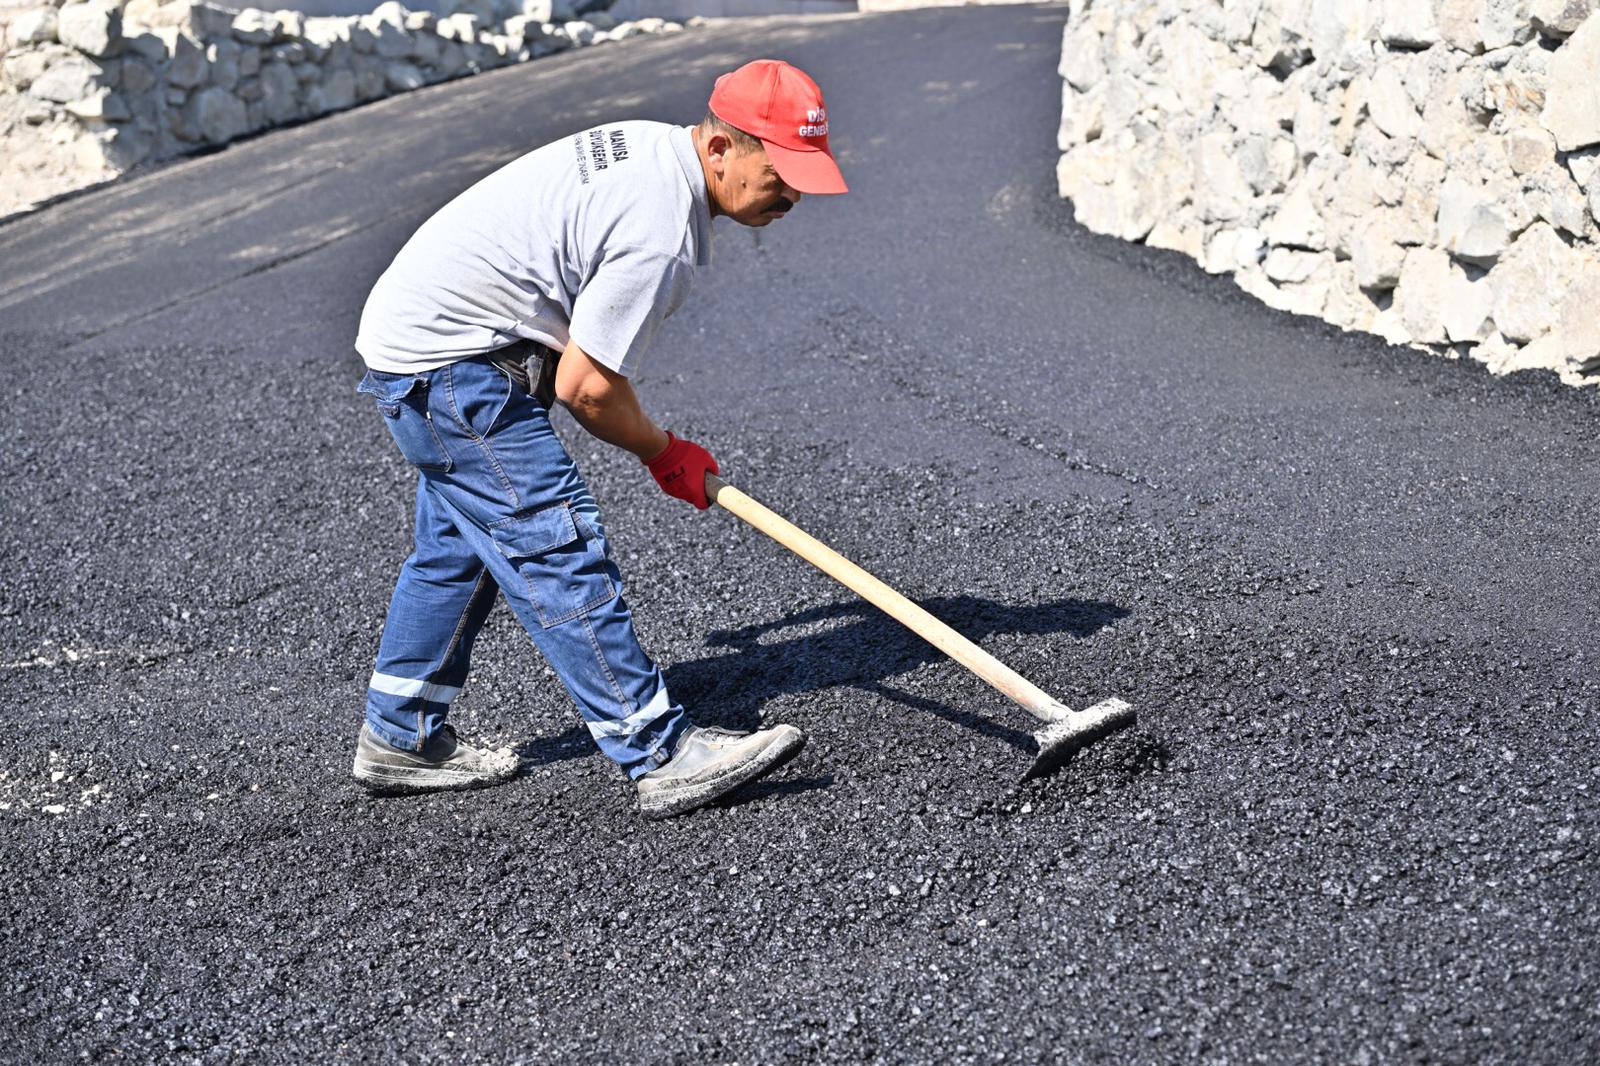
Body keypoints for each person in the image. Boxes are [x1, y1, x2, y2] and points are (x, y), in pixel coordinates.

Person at [347, 59, 848, 819]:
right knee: (555, 545)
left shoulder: (654, 148)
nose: (795, 195)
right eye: (781, 174)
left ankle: (399, 734)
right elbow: (587, 387)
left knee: (460, 551)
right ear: (721, 150)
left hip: (423, 347)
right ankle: (659, 752)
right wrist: (663, 452)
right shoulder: (659, 231)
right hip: (454, 367)